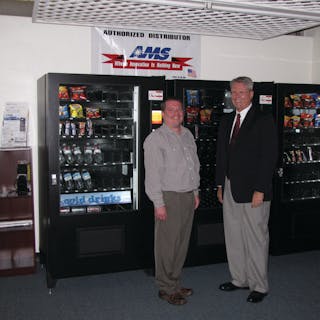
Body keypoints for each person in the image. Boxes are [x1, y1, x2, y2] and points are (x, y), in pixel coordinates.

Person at [215, 76, 278, 303]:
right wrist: (220, 184)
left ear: (251, 94)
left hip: (254, 190)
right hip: (230, 186)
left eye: (241, 92)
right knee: (233, 235)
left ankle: (259, 286)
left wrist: (260, 189)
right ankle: (239, 279)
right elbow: (221, 156)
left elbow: (269, 157)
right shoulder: (226, 120)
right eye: (234, 92)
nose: (237, 97)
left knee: (256, 237)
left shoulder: (263, 119)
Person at [143, 97, 200, 306]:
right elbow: (153, 176)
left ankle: (175, 282)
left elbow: (195, 165)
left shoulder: (187, 135)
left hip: (187, 196)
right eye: (171, 110)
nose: (176, 114)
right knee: (167, 245)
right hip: (169, 197)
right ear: (163, 114)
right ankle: (166, 288)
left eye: (179, 110)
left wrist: (195, 191)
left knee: (181, 244)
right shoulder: (155, 140)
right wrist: (158, 203)